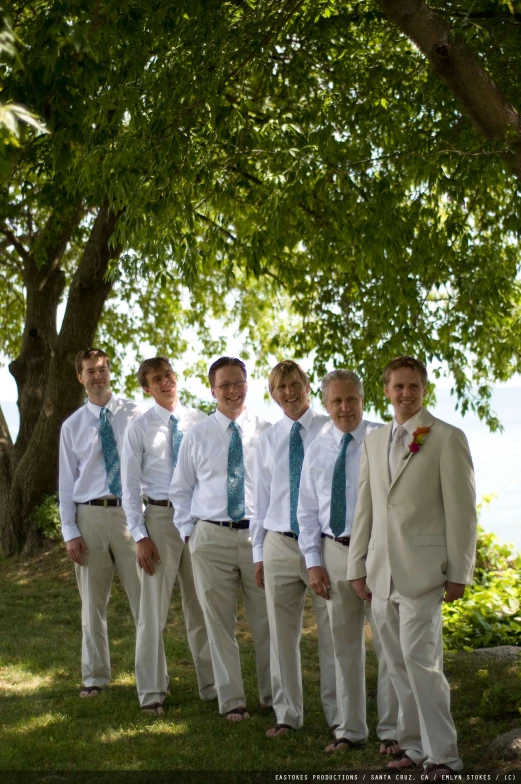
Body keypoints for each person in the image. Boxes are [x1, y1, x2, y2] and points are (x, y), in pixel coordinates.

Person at [347, 356, 477, 779]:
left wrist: (460, 570)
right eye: (398, 386)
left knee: (423, 664)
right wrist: (357, 565)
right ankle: (414, 746)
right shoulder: (374, 440)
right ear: (385, 391)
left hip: (424, 571)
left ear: (424, 389)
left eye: (413, 386)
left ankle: (445, 756)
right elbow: (365, 507)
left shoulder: (446, 438)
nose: (406, 393)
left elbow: (462, 511)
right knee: (397, 666)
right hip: (381, 572)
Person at [298, 369, 398, 753]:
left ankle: (391, 732)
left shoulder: (384, 439)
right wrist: (312, 561)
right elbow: (306, 511)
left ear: (363, 398)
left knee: (389, 647)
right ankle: (350, 729)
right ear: (325, 404)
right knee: (342, 647)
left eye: (351, 399)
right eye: (336, 401)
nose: (344, 408)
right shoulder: (317, 446)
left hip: (377, 555)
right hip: (333, 552)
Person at [170, 356, 272, 721]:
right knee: (218, 624)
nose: (232, 390)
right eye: (224, 384)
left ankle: (272, 695)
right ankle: (232, 701)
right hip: (209, 538)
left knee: (267, 621)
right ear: (212, 390)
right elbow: (180, 490)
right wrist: (189, 534)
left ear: (248, 384)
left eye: (238, 382)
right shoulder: (196, 434)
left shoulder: (266, 431)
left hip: (257, 539)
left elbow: (279, 487)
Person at [121, 357, 215, 715]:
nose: (166, 382)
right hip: (159, 520)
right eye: (157, 379)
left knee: (202, 606)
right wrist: (140, 535)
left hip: (198, 520)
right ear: (146, 387)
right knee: (153, 611)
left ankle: (211, 685)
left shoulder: (199, 421)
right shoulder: (139, 428)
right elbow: (128, 488)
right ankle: (151, 691)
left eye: (169, 375)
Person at [251, 359, 339, 737]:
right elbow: (259, 501)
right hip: (279, 544)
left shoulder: (331, 429)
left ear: (307, 385)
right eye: (279, 388)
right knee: (280, 635)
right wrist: (258, 553)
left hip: (323, 544)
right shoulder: (267, 440)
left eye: (294, 384)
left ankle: (341, 715)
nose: (288, 393)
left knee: (335, 632)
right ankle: (287, 714)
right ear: (272, 394)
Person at [59, 348, 142, 697]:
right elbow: (66, 481)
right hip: (89, 515)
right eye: (90, 371)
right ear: (81, 378)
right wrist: (69, 531)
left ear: (111, 373)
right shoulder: (72, 426)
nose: (98, 375)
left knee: (144, 600)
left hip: (131, 514)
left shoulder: (134, 415)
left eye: (103, 369)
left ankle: (152, 677)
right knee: (93, 604)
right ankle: (95, 678)